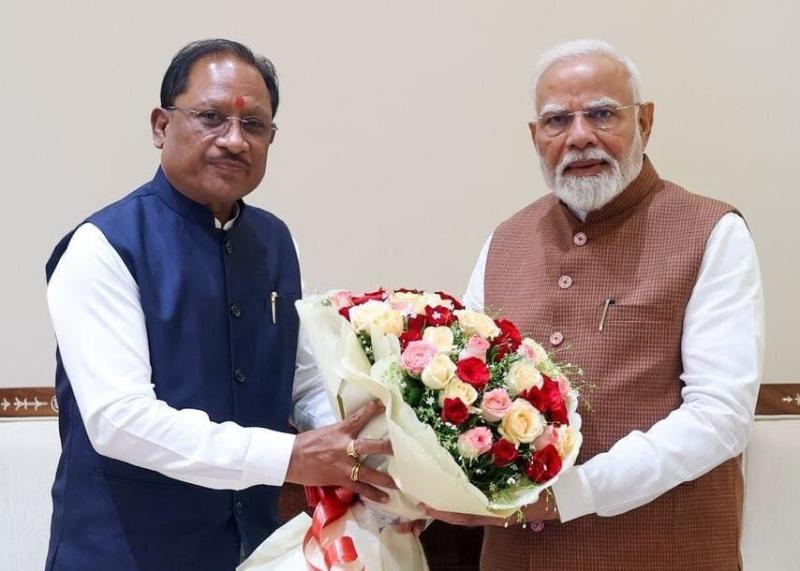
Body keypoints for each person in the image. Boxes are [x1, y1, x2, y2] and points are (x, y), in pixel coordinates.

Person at [44, 39, 394, 571]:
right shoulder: (103, 247)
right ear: (161, 125)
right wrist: (288, 458)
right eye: (211, 118)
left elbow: (303, 384)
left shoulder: (275, 242)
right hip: (123, 553)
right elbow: (120, 420)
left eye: (254, 125)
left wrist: (365, 454)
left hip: (252, 550)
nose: (234, 140)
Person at [425, 39, 763, 570]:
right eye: (557, 120)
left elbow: (719, 417)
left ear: (644, 122)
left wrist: (570, 496)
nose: (579, 136)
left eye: (603, 114)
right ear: (535, 136)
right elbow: (461, 397)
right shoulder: (505, 241)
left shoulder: (712, 232)